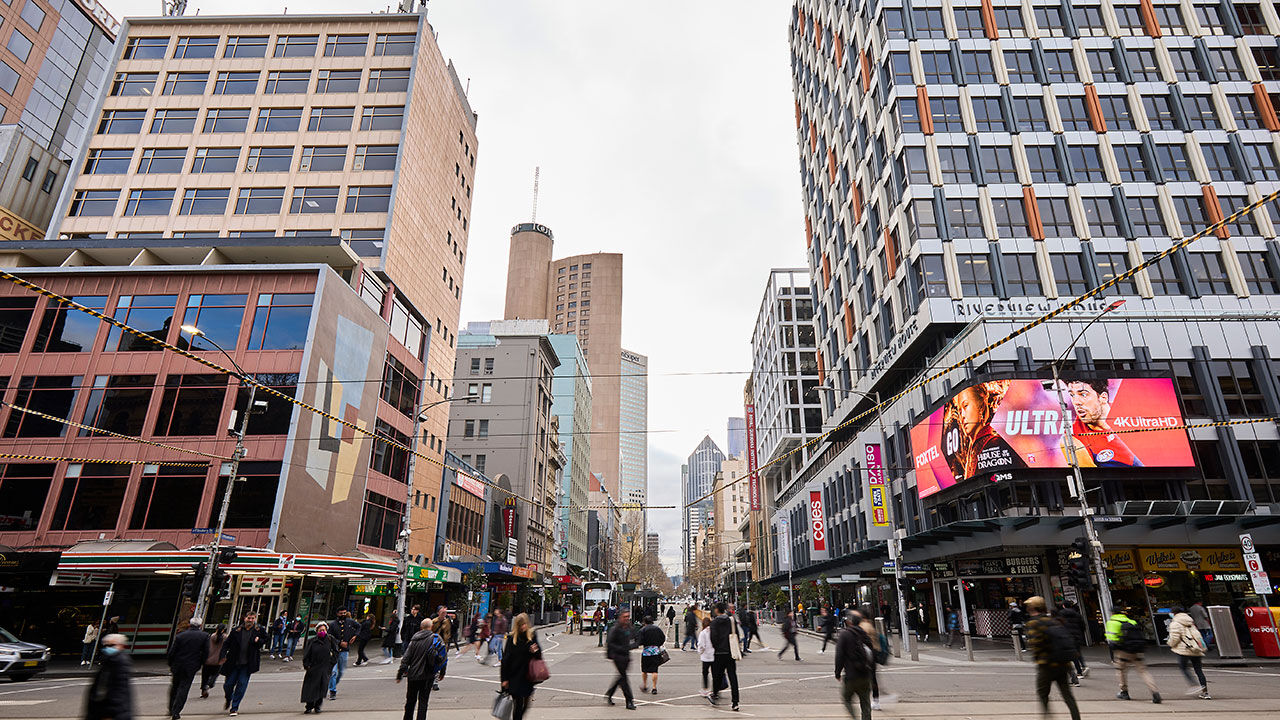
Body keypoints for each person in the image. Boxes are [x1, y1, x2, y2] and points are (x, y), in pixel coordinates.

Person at [1024, 596, 1082, 720]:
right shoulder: (1053, 620)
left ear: (1032, 607)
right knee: (1068, 696)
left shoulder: (1033, 622)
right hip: (1063, 663)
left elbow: (1036, 644)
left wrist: (1038, 657)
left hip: (1046, 665)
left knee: (1043, 694)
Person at [1105, 606, 1161, 703]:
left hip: (1123, 651)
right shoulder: (1132, 621)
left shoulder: (1111, 622)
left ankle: (1124, 692)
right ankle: (1155, 692)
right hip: (1137, 650)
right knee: (1143, 672)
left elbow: (1112, 639)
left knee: (1121, 671)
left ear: (1112, 613)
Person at [398, 617, 448, 720]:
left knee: (410, 702)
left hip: (413, 675)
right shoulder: (436, 638)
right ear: (431, 627)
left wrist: (400, 673)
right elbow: (443, 657)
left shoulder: (414, 639)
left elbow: (406, 658)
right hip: (428, 675)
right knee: (423, 702)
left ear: (421, 627)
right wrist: (442, 672)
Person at [221, 611, 266, 717]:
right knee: (228, 684)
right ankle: (229, 698)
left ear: (255, 619)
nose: (250, 620)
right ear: (244, 618)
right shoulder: (236, 630)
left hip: (247, 663)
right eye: (249, 618)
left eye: (252, 618)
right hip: (234, 662)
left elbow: (265, 639)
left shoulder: (258, 630)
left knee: (241, 685)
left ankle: (234, 707)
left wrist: (259, 640)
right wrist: (222, 656)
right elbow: (226, 644)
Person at [500, 613, 542, 720]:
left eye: (524, 624)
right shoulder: (512, 639)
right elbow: (505, 660)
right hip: (514, 676)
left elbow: (539, 656)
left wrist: (535, 651)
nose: (523, 627)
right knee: (517, 704)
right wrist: (504, 679)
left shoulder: (532, 636)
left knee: (526, 704)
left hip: (527, 676)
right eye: (520, 625)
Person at [167, 618, 210, 720]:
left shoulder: (180, 635)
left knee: (174, 687)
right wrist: (201, 664)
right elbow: (205, 652)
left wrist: (171, 664)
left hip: (178, 665)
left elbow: (172, 652)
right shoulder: (204, 636)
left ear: (190, 624)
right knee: (184, 688)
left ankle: (171, 708)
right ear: (200, 625)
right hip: (191, 666)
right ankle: (176, 711)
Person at [835, 615, 875, 720]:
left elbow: (839, 655)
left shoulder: (845, 635)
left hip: (851, 674)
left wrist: (837, 673)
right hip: (865, 674)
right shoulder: (864, 634)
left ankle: (854, 717)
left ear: (849, 622)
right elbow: (871, 653)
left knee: (847, 698)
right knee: (865, 702)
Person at [85, 633, 133, 720]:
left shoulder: (118, 662)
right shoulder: (109, 661)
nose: (108, 648)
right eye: (106, 645)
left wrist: (109, 713)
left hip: (112, 714)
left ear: (121, 646)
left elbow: (118, 691)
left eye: (111, 645)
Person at [1167, 606, 1211, 699]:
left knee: (1183, 667)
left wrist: (1170, 643)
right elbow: (1197, 635)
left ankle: (1194, 684)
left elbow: (1174, 638)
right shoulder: (1190, 622)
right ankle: (1205, 692)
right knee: (1199, 670)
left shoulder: (1175, 623)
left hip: (1184, 649)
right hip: (1195, 648)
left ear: (1174, 613)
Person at [709, 601, 741, 711]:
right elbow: (737, 634)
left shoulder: (714, 622)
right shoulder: (731, 620)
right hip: (730, 652)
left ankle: (715, 695)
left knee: (717, 676)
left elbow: (713, 637)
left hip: (718, 653)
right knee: (733, 677)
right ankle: (735, 702)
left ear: (717, 610)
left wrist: (716, 647)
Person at [301, 621, 337, 714]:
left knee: (321, 688)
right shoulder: (312, 641)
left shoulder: (330, 639)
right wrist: (307, 665)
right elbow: (306, 654)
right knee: (311, 688)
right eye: (320, 630)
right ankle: (309, 706)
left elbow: (336, 652)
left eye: (324, 630)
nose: (322, 631)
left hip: (325, 667)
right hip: (313, 667)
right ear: (317, 631)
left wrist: (331, 663)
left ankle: (317, 706)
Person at [604, 609, 637, 710]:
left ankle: (610, 693)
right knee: (624, 678)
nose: (627, 618)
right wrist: (619, 649)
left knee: (621, 677)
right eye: (625, 617)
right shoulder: (615, 629)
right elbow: (610, 643)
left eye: (628, 616)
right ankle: (629, 700)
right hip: (617, 656)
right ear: (620, 617)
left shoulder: (629, 628)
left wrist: (633, 645)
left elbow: (635, 638)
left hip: (626, 655)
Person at [327, 608, 360, 700]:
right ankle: (332, 691)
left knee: (341, 672)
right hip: (334, 651)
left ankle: (332, 685)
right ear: (337, 614)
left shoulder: (350, 622)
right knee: (334, 672)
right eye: (341, 613)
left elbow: (359, 627)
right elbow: (329, 636)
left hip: (344, 651)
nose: (343, 614)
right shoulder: (333, 624)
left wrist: (355, 636)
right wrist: (338, 642)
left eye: (345, 613)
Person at [1054, 601, 1088, 684]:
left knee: (1070, 656)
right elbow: (1083, 626)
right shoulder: (1077, 614)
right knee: (1077, 653)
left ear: (1063, 606)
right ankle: (1082, 668)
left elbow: (1059, 626)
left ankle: (1076, 674)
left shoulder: (1061, 614)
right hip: (1077, 636)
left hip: (1067, 637)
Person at [638, 615, 666, 695]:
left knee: (644, 670)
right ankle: (654, 687)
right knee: (654, 670)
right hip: (655, 651)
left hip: (646, 652)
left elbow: (639, 641)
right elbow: (662, 638)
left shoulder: (642, 630)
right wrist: (657, 645)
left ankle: (645, 685)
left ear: (645, 622)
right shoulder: (657, 629)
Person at [201, 624, 227, 699]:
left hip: (208, 659)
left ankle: (203, 689)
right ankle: (209, 685)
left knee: (205, 675)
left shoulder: (210, 636)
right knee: (215, 675)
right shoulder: (225, 637)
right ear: (223, 630)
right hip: (218, 660)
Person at [696, 616, 715, 697]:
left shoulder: (703, 633)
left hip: (706, 656)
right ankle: (715, 690)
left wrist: (700, 652)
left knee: (705, 673)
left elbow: (701, 645)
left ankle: (705, 689)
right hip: (714, 654)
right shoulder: (714, 631)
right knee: (715, 673)